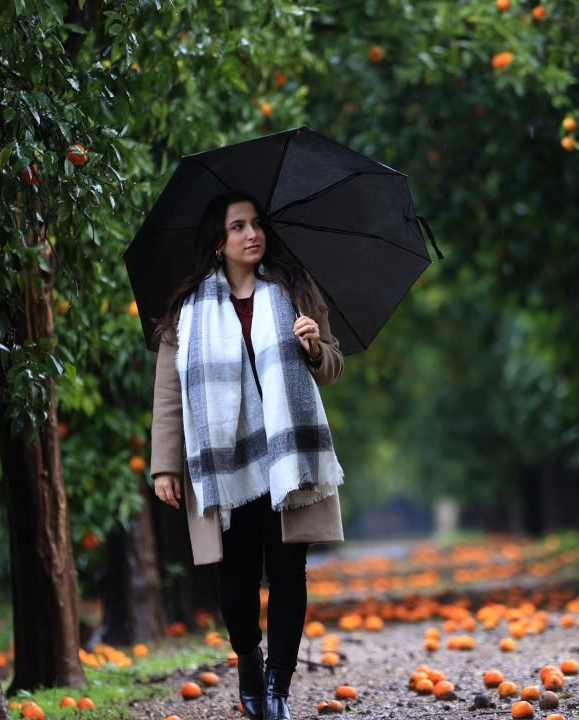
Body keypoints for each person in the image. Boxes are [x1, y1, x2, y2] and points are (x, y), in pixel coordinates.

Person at [148, 191, 345, 720]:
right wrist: (164, 464)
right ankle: (250, 663)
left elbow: (331, 366)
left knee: (288, 572)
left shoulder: (293, 291)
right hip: (226, 465)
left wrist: (313, 347)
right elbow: (169, 393)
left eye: (256, 224)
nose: (252, 234)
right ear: (219, 241)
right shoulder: (186, 314)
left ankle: (278, 686)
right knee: (235, 581)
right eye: (238, 227)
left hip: (287, 459)